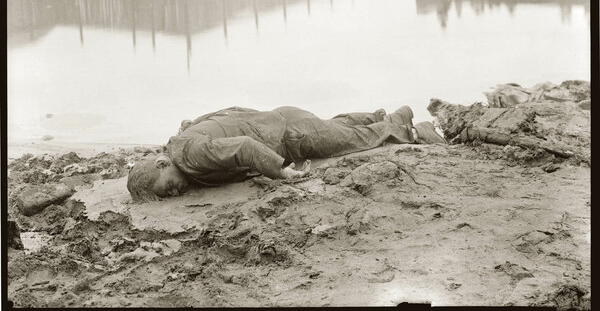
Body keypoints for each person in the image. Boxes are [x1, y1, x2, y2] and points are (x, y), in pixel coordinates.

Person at [127, 105, 446, 201]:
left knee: (349, 142)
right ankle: (372, 115)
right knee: (335, 130)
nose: (176, 193)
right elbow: (218, 116)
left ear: (161, 162)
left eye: (168, 187)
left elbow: (244, 147)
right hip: (277, 120)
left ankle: (402, 124)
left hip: (286, 137)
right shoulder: (181, 144)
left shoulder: (191, 154)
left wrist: (281, 171)